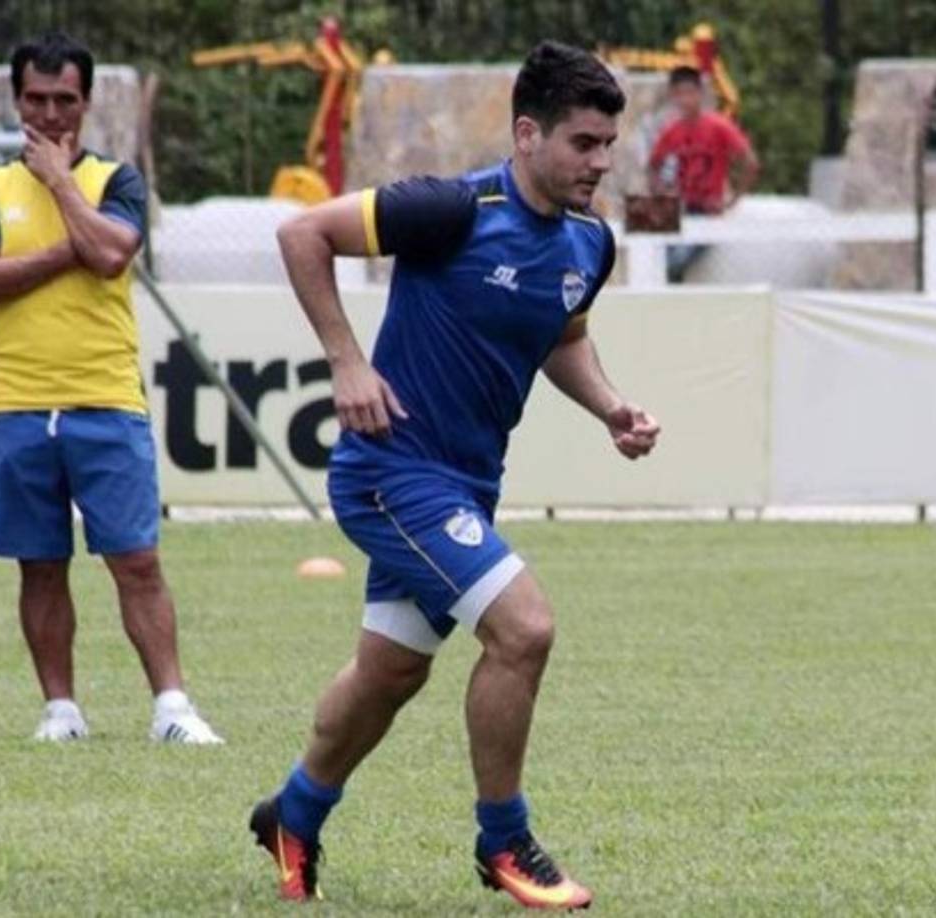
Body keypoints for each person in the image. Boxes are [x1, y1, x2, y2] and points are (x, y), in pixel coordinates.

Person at [251, 41, 660, 909]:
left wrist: (611, 409)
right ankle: (503, 840)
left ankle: (293, 812)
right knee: (524, 628)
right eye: (583, 143)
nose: (599, 162)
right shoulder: (450, 208)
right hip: (388, 474)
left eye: (606, 146)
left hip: (467, 485)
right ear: (526, 134)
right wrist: (345, 363)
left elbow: (562, 337)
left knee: (389, 675)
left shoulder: (589, 243)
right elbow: (302, 232)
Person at [0, 31, 222, 745]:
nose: (49, 115)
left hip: (106, 398)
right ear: (16, 100)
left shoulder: (116, 181)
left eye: (64, 100)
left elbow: (109, 255)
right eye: (36, 100)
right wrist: (71, 247)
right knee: (39, 565)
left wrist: (61, 186)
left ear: (87, 101)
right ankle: (61, 711)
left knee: (135, 560)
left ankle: (171, 707)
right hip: (16, 403)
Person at [647, 65, 760, 282]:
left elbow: (749, 161)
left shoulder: (719, 126)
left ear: (700, 94)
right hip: (678, 207)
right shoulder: (672, 130)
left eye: (689, 93)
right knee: (647, 253)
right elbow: (654, 165)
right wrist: (659, 193)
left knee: (675, 261)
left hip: (706, 209)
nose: (684, 100)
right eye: (678, 94)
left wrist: (734, 199)